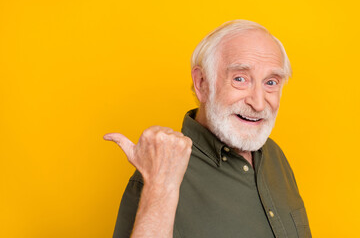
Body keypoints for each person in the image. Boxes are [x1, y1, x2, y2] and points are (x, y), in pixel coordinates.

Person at [104, 20, 311, 238]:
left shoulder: (275, 156)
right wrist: (160, 189)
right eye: (240, 79)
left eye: (271, 82)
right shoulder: (157, 175)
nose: (258, 103)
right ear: (202, 83)